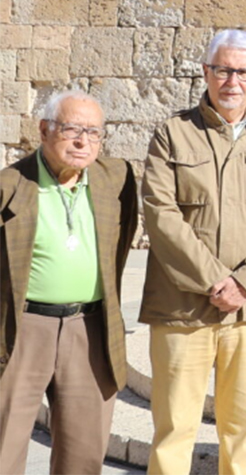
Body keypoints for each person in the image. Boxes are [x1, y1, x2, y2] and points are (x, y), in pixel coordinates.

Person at [142, 28, 246, 475]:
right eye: (223, 70)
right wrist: (216, 281)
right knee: (174, 429)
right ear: (206, 72)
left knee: (242, 430)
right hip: (182, 307)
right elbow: (160, 213)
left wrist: (245, 283)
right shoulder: (173, 133)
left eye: (244, 72)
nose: (233, 81)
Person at [0, 90, 139, 475]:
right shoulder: (10, 184)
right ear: (44, 130)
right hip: (22, 330)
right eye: (72, 129)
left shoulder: (115, 178)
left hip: (89, 328)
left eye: (93, 132)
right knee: (3, 448)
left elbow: (124, 234)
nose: (83, 141)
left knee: (83, 454)